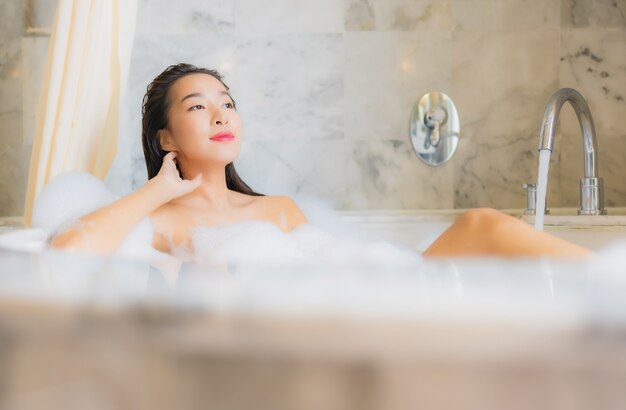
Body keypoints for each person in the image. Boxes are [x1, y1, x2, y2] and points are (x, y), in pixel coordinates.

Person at [49, 63, 589, 259]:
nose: (221, 115)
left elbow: (336, 271)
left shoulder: (279, 212)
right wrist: (158, 191)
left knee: (480, 225)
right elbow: (67, 250)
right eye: (198, 107)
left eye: (228, 103)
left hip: (377, 296)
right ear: (166, 138)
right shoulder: (160, 224)